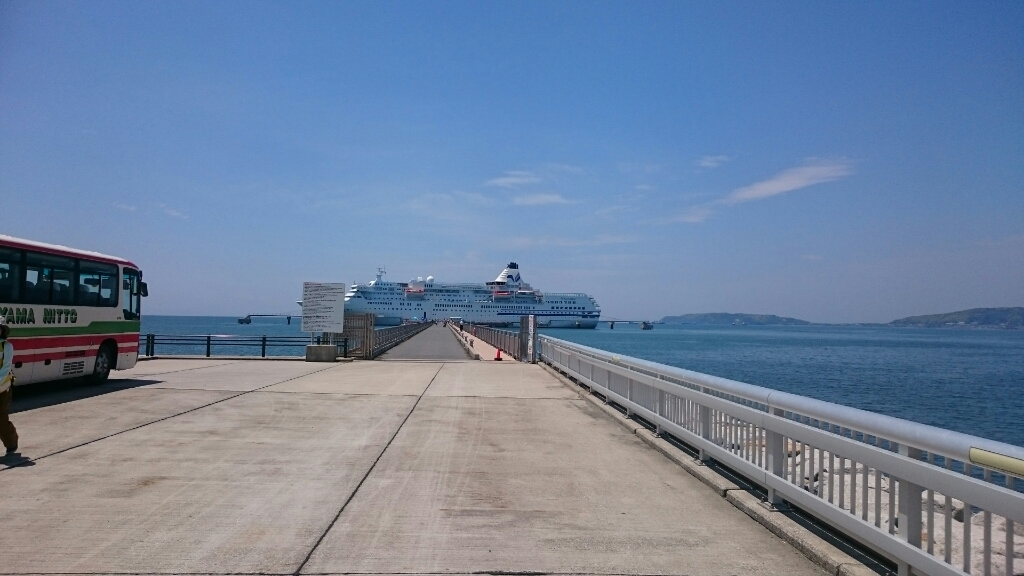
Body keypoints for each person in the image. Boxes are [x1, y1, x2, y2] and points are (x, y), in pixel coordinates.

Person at [0, 318, 17, 456]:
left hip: (3, 389)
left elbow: (5, 369)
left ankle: (11, 443)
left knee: (1, 419)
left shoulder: (7, 347)